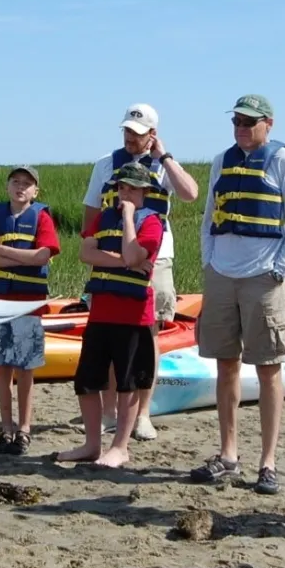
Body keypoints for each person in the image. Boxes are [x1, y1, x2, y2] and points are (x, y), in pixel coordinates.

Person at [191, 95, 285, 495]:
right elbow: (209, 217)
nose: (242, 127)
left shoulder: (283, 162)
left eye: (250, 122)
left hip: (264, 277)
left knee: (269, 368)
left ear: (268, 124)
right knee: (225, 364)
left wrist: (280, 269)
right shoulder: (221, 161)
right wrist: (209, 260)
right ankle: (228, 455)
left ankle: (268, 462)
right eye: (237, 121)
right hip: (221, 275)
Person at [82, 104, 198, 440]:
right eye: (127, 131)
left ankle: (143, 413)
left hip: (154, 257)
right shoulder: (106, 164)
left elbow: (190, 194)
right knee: (106, 333)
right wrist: (96, 255)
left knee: (148, 335)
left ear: (152, 134)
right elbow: (91, 211)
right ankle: (108, 412)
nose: (130, 138)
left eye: (137, 132)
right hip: (109, 253)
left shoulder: (163, 167)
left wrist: (166, 157)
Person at [56, 162, 164, 468]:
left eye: (132, 188)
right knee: (88, 380)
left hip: (133, 317)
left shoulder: (152, 222)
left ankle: (120, 447)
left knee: (128, 383)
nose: (125, 193)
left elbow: (135, 254)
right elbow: (86, 253)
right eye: (121, 187)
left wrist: (129, 217)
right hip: (100, 313)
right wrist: (124, 261)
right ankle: (92, 445)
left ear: (144, 192)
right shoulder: (103, 218)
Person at [0, 165, 60, 455]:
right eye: (15, 182)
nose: (20, 187)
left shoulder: (42, 217)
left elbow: (42, 256)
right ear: (8, 186)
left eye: (27, 183)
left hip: (28, 304)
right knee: (2, 366)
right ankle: (5, 428)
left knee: (26, 368)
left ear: (36, 191)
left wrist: (4, 251)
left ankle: (24, 429)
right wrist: (17, 257)